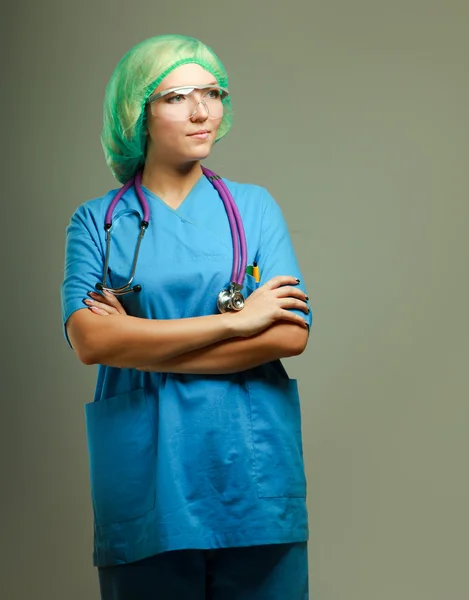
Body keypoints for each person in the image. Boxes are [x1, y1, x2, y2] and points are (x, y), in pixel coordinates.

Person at [61, 34, 312, 600]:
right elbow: (90, 340)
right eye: (176, 96)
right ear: (138, 113)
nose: (202, 111)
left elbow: (291, 334)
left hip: (249, 472)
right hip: (146, 475)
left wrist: (137, 337)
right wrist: (238, 324)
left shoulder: (254, 207)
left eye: (212, 92)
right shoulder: (97, 222)